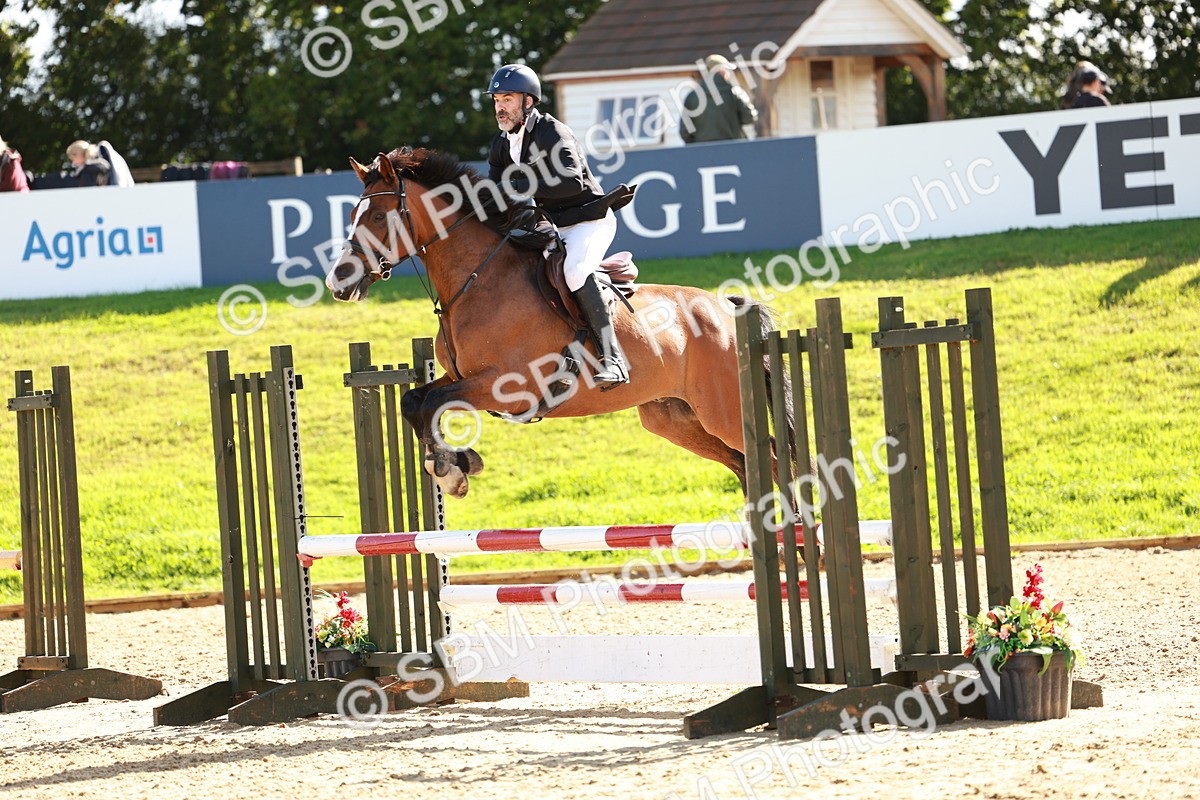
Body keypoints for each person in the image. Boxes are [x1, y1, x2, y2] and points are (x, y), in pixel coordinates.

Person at [484, 63, 635, 387]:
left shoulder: (552, 132)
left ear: (528, 101)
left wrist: (521, 185)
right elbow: (497, 192)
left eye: (507, 98)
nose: (500, 107)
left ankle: (614, 359)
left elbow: (570, 181)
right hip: (552, 226)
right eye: (496, 100)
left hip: (588, 221)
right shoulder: (501, 145)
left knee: (575, 271)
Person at [679, 54, 758, 144]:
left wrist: (696, 147)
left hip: (702, 152)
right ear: (721, 70)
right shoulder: (736, 93)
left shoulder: (692, 97)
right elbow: (749, 118)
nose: (729, 74)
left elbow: (684, 132)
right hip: (732, 150)